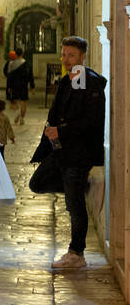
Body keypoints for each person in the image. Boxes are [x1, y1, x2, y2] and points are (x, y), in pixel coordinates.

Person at [31, 36, 106, 271]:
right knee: (37, 182)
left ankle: (76, 254)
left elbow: (91, 122)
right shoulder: (68, 80)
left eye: (71, 55)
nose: (65, 59)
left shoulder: (90, 83)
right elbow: (60, 112)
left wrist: (60, 131)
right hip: (61, 151)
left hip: (79, 153)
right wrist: (51, 132)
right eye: (63, 54)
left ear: (83, 56)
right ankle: (80, 187)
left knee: (75, 207)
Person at [4, 49, 36, 124]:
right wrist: (32, 87)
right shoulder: (27, 64)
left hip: (14, 85)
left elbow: (9, 77)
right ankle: (21, 118)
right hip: (23, 86)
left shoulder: (11, 64)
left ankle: (17, 114)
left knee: (15, 102)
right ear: (23, 53)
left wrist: (9, 87)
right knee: (23, 102)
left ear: (16, 54)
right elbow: (30, 76)